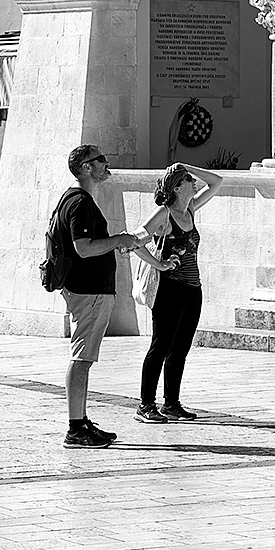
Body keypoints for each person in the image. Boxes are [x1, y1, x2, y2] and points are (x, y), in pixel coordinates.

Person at [49, 145, 152, 450]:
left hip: (86, 289)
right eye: (101, 160)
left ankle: (80, 422)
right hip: (88, 290)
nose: (107, 164)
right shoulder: (80, 202)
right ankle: (76, 427)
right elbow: (83, 247)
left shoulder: (74, 199)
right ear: (85, 167)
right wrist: (119, 239)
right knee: (82, 359)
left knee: (83, 357)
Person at [136, 164, 212, 425]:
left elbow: (217, 182)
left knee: (180, 349)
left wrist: (187, 166)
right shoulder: (165, 214)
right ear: (177, 187)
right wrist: (159, 264)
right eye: (189, 180)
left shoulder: (189, 209)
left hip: (193, 289)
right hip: (170, 289)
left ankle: (171, 404)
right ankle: (146, 405)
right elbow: (136, 240)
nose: (194, 183)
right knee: (160, 346)